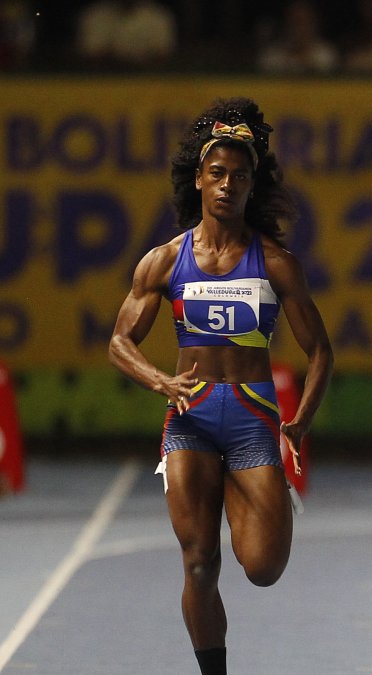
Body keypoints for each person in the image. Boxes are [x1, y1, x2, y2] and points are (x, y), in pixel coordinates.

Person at [108, 97, 334, 675]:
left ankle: (262, 498)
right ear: (199, 180)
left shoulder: (275, 263)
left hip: (254, 419)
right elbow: (119, 342)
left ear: (252, 186)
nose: (228, 185)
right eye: (217, 173)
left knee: (262, 568)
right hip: (192, 418)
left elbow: (320, 352)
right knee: (200, 562)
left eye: (239, 176)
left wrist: (300, 423)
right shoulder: (164, 261)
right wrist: (161, 380)